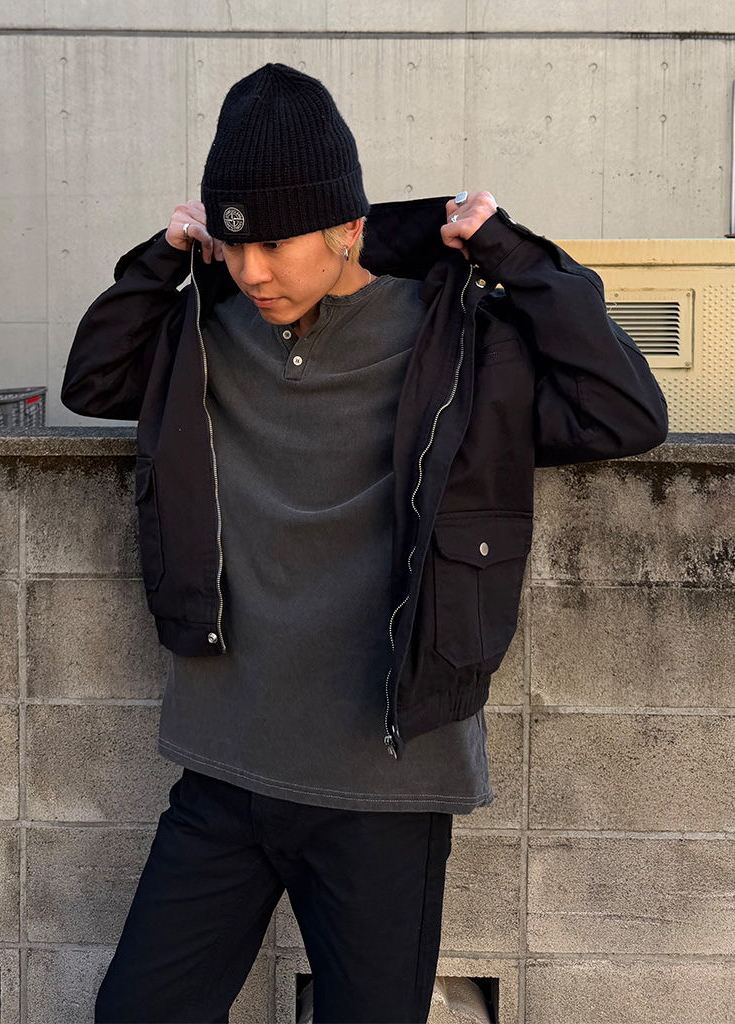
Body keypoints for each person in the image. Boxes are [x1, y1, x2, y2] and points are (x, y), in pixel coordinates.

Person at [61, 63, 668, 1024]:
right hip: (223, 773)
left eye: (273, 243)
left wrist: (514, 254)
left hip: (385, 788)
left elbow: (626, 413)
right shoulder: (209, 333)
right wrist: (162, 258)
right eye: (232, 243)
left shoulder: (457, 340)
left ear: (348, 227)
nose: (251, 271)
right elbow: (93, 381)